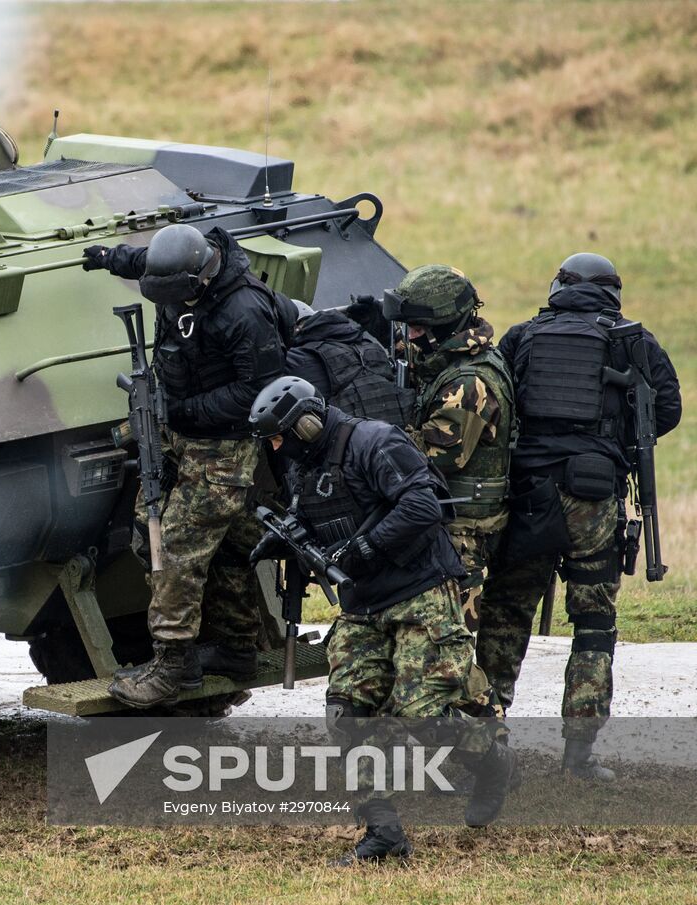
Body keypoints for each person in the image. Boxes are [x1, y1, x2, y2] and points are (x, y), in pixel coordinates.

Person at [247, 376, 518, 863]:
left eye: (282, 435)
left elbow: (422, 505)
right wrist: (289, 540)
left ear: (308, 423)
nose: (277, 447)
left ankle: (491, 762)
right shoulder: (302, 467)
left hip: (420, 591)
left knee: (419, 713)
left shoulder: (374, 442)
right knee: (345, 714)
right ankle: (384, 831)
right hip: (361, 605)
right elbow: (322, 526)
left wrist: (367, 548)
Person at [476, 253, 681, 780]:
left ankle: (488, 737)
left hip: (528, 495)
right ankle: (579, 753)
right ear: (612, 291)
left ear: (560, 286)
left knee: (506, 610)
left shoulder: (522, 337)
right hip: (594, 497)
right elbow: (668, 409)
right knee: (594, 623)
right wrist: (613, 444)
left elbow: (495, 402)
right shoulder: (634, 340)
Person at [82, 224, 284, 708]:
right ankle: (236, 648)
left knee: (173, 551)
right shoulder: (178, 268)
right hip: (177, 436)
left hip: (222, 449)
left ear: (201, 280)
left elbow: (260, 389)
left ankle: (174, 667)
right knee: (185, 541)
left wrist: (187, 412)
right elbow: (144, 263)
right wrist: (110, 256)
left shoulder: (245, 310)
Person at [381, 265, 514, 629]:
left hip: (463, 530)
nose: (410, 337)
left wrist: (382, 435)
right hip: (446, 519)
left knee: (448, 643)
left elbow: (441, 456)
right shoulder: (448, 362)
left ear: (444, 326)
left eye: (418, 330)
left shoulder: (469, 381)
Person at [284, 305, 413, 427]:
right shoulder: (372, 348)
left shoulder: (300, 360)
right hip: (405, 442)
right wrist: (393, 339)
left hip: (357, 447)